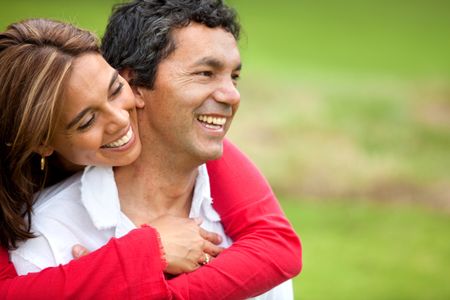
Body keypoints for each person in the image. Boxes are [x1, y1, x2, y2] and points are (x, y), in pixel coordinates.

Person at [1, 2, 302, 300]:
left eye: (114, 90)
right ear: (137, 82)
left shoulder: (243, 236)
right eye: (204, 73)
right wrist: (141, 259)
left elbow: (278, 245)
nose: (232, 95)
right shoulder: (47, 239)